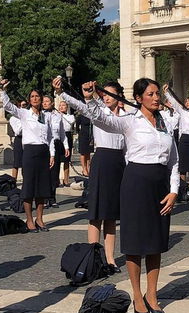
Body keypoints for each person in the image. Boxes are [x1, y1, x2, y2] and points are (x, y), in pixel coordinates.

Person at [64, 78, 178, 313]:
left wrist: (174, 190)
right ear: (138, 98)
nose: (157, 98)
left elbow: (174, 160)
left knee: (156, 243)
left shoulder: (165, 123)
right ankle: (137, 295)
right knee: (136, 244)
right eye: (151, 94)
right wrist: (90, 98)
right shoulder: (129, 122)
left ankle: (152, 294)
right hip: (135, 182)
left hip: (161, 185)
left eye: (158, 93)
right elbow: (102, 119)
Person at [56, 79, 127, 272]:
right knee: (96, 213)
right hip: (103, 160)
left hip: (119, 162)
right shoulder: (98, 111)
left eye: (110, 94)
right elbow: (81, 105)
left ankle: (111, 259)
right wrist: (62, 93)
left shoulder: (127, 115)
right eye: (105, 94)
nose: (107, 98)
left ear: (119, 96)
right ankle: (93, 257)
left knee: (111, 215)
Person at [0, 79, 56, 232]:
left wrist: (52, 154)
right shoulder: (24, 114)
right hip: (30, 152)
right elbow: (8, 106)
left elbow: (50, 137)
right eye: (32, 97)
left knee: (42, 188)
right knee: (29, 187)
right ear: (29, 100)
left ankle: (40, 218)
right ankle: (29, 219)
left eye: (37, 96)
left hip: (43, 152)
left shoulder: (47, 116)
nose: (35, 99)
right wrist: (3, 91)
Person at [163, 85, 189, 190]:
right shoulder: (183, 112)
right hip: (184, 140)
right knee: (183, 167)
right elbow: (174, 103)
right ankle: (182, 189)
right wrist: (167, 92)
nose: (187, 103)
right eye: (186, 101)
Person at [44, 96, 70, 208]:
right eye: (43, 101)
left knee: (55, 171)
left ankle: (52, 197)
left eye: (47, 101)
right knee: (45, 172)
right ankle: (44, 198)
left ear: (52, 102)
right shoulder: (40, 114)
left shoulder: (58, 115)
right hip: (45, 144)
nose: (45, 103)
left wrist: (66, 147)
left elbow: (62, 133)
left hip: (56, 142)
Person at [59, 101, 75, 186]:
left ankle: (66, 180)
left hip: (67, 135)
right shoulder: (56, 116)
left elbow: (71, 122)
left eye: (63, 105)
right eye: (60, 105)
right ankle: (56, 179)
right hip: (58, 136)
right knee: (57, 159)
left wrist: (63, 115)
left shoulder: (70, 116)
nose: (61, 107)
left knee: (66, 160)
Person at [9, 114, 23, 179]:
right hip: (19, 139)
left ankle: (26, 180)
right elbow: (18, 131)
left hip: (29, 138)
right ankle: (13, 181)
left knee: (27, 162)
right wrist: (23, 121)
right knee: (16, 162)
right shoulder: (13, 118)